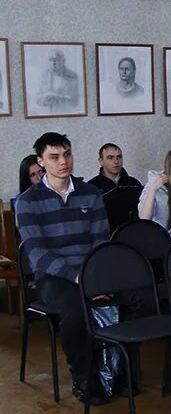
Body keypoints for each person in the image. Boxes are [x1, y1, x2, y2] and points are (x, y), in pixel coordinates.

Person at [15, 132, 150, 405]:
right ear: (41, 161)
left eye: (67, 154)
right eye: (54, 156)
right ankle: (84, 377)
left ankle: (119, 370)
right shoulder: (28, 201)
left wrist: (95, 278)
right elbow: (38, 254)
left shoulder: (91, 193)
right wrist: (80, 279)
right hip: (54, 276)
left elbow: (101, 241)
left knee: (137, 299)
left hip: (92, 271)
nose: (63, 161)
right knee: (75, 311)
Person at [87, 143, 143, 233]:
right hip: (106, 240)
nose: (116, 161)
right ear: (101, 161)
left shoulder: (134, 184)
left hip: (133, 236)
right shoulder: (92, 187)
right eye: (110, 157)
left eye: (119, 157)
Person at [35, 48, 79, 114]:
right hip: (45, 115)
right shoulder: (44, 75)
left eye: (56, 60)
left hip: (65, 114)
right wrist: (43, 100)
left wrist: (58, 98)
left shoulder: (72, 76)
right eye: (51, 60)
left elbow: (75, 102)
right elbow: (37, 98)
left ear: (63, 61)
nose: (53, 63)